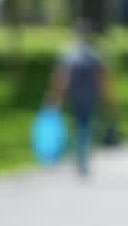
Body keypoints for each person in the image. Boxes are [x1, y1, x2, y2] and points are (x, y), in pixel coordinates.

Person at [47, 19, 116, 178]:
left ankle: (79, 156)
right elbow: (103, 78)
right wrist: (108, 98)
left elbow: (62, 78)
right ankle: (82, 157)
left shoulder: (68, 53)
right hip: (91, 96)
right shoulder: (96, 53)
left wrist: (56, 97)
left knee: (78, 125)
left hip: (74, 96)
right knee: (85, 126)